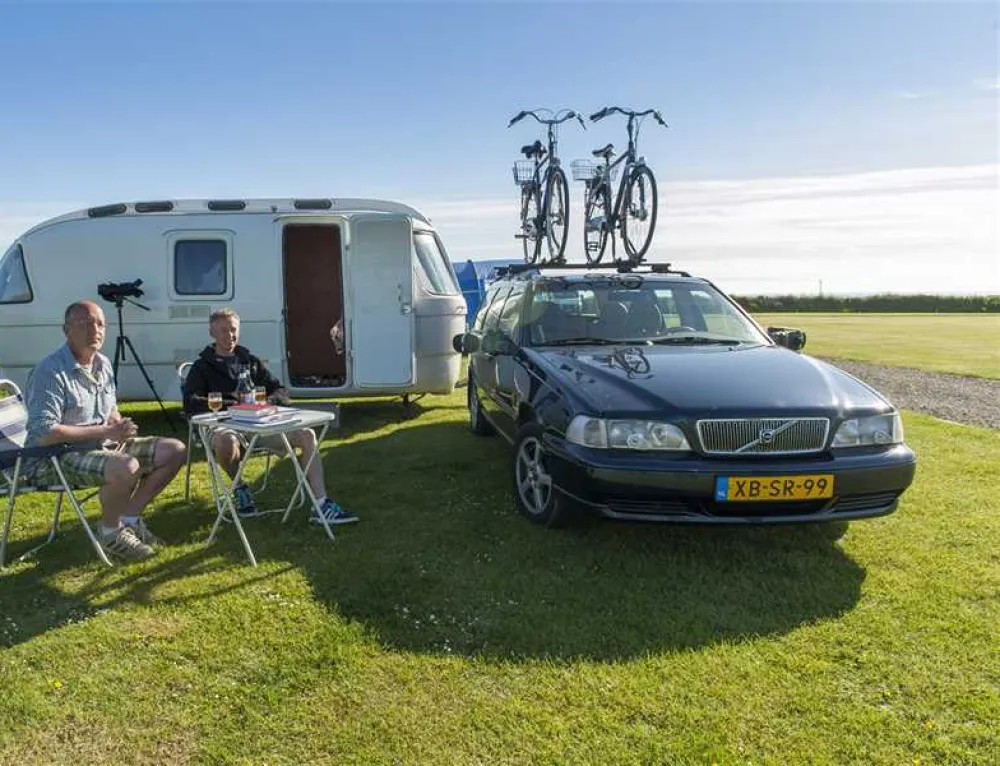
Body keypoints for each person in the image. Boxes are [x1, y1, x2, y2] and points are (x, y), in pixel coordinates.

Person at [24, 300, 187, 561]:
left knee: (174, 450)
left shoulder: (102, 364)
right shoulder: (51, 371)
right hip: (52, 457)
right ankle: (110, 533)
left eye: (100, 323)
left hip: (100, 446)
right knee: (125, 467)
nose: (95, 330)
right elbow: (44, 433)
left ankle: (129, 518)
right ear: (66, 330)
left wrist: (119, 425)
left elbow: (109, 410)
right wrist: (105, 432)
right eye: (85, 323)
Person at [182, 308, 356, 525]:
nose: (230, 336)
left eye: (234, 330)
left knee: (307, 435)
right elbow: (191, 402)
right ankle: (239, 488)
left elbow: (279, 390)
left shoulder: (250, 360)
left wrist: (269, 400)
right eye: (223, 330)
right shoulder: (202, 367)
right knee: (226, 441)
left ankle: (321, 504)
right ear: (212, 333)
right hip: (223, 426)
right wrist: (231, 402)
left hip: (259, 425)